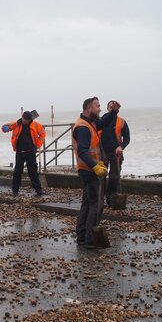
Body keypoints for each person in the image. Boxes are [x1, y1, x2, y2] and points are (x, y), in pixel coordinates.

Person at [73, 97, 109, 247]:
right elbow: (82, 151)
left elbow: (103, 122)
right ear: (89, 108)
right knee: (96, 205)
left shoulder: (89, 123)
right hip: (89, 171)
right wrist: (95, 166)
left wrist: (113, 112)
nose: (99, 109)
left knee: (87, 204)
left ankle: (81, 236)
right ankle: (90, 238)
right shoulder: (83, 128)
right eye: (97, 106)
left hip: (87, 169)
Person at [2, 110, 46, 196]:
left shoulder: (36, 125)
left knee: (33, 172)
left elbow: (42, 134)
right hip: (20, 152)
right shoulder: (17, 124)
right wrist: (5, 128)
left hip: (31, 152)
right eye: (23, 118)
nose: (24, 120)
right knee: (17, 172)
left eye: (26, 119)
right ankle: (15, 191)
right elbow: (4, 128)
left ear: (30, 119)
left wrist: (37, 145)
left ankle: (38, 190)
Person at [99, 100, 130, 207]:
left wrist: (121, 147)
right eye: (110, 107)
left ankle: (112, 199)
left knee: (114, 177)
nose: (112, 109)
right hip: (102, 153)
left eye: (114, 107)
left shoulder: (122, 122)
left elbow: (127, 138)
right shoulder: (102, 120)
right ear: (108, 108)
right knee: (101, 177)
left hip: (116, 154)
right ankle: (100, 199)